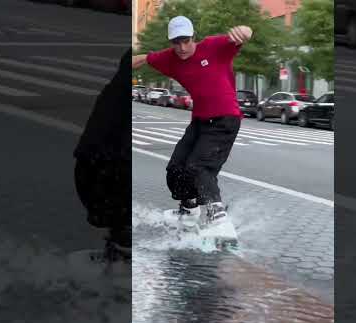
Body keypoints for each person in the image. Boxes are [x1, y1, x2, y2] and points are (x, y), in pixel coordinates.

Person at [132, 16, 253, 234]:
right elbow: (143, 59)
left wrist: (244, 30)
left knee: (199, 167)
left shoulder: (214, 46)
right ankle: (189, 210)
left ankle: (220, 221)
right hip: (199, 122)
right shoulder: (169, 58)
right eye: (176, 42)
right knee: (175, 169)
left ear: (193, 37)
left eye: (186, 40)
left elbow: (244, 33)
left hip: (225, 119)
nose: (182, 47)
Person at [74, 48, 132, 262]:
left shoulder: (114, 91)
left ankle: (119, 248)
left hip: (91, 171)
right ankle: (121, 253)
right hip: (105, 174)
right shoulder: (122, 100)